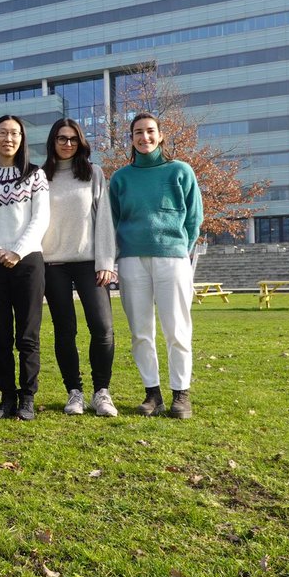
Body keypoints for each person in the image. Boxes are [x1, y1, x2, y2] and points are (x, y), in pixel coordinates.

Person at [108, 112, 203, 419]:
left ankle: (181, 394)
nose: (144, 137)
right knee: (140, 331)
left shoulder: (180, 171)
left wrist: (181, 250)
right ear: (131, 138)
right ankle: (153, 393)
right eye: (138, 132)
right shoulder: (120, 178)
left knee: (177, 329)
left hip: (172, 258)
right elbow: (112, 220)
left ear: (161, 135)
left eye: (150, 131)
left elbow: (194, 217)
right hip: (131, 260)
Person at [0, 115, 50, 422]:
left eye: (14, 133)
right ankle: (7, 397)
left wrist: (17, 251)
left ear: (22, 138)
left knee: (27, 335)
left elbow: (40, 219)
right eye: (2, 133)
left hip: (28, 262)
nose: (8, 138)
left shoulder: (35, 175)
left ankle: (27, 396)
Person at [40, 118, 118, 417]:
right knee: (65, 330)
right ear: (53, 141)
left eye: (73, 139)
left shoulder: (93, 173)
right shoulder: (40, 176)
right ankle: (74, 392)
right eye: (62, 138)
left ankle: (102, 392)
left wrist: (106, 261)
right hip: (53, 263)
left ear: (81, 142)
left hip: (89, 263)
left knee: (102, 328)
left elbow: (104, 219)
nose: (68, 144)